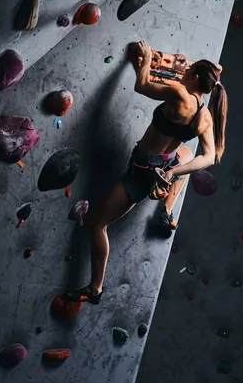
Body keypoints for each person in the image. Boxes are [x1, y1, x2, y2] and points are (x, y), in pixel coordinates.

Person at [68, 41, 228, 305]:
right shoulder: (205, 116)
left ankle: (95, 289)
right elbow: (208, 157)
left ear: (195, 78)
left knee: (97, 223)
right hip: (166, 163)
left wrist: (145, 61)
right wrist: (175, 171)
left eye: (188, 70)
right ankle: (166, 208)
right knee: (187, 156)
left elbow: (141, 86)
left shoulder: (178, 92)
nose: (183, 71)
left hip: (142, 171)